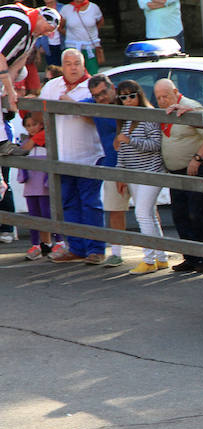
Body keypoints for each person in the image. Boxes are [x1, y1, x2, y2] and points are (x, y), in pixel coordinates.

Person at [42, 49, 106, 264]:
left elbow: (96, 118)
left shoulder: (93, 86)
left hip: (89, 156)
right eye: (68, 63)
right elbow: (38, 112)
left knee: (91, 205)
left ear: (83, 64)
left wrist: (71, 105)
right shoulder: (52, 86)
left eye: (77, 63)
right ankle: (76, 247)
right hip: (62, 158)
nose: (73, 67)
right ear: (62, 65)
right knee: (68, 204)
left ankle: (96, 249)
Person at [154, 78, 203, 272]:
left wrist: (197, 158)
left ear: (176, 91)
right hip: (175, 173)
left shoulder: (191, 107)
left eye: (166, 96)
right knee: (180, 215)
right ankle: (190, 257)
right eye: (158, 98)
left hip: (197, 169)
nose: (162, 101)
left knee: (198, 215)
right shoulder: (165, 111)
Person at [113, 79, 169, 274]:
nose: (128, 100)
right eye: (123, 97)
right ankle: (161, 258)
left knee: (142, 215)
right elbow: (122, 150)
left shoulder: (148, 115)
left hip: (151, 172)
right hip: (134, 174)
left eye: (131, 95)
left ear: (139, 95)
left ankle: (149, 259)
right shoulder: (125, 118)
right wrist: (120, 174)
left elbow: (155, 144)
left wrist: (130, 139)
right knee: (150, 215)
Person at [0, 3, 60, 153]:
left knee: (23, 72)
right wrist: (9, 90)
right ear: (41, 19)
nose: (46, 34)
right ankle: (1, 142)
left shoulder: (31, 35)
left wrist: (8, 91)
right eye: (47, 29)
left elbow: (18, 64)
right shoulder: (21, 24)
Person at [85, 73, 127, 267]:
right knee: (114, 210)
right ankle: (116, 253)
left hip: (137, 164)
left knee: (147, 211)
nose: (101, 97)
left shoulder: (128, 103)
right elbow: (74, 104)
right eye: (96, 95)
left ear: (113, 87)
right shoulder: (96, 107)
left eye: (103, 92)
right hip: (111, 165)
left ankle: (155, 253)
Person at [18, 112, 61, 259]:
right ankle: (37, 245)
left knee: (48, 214)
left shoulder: (46, 141)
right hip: (31, 186)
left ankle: (59, 242)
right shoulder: (25, 142)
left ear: (41, 124)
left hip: (45, 186)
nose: (31, 128)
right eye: (28, 126)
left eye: (34, 124)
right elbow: (21, 156)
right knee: (34, 216)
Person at [60, 0, 103, 75]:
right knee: (74, 72)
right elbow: (59, 26)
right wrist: (70, 35)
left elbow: (100, 22)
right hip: (73, 47)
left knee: (92, 73)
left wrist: (93, 33)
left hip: (91, 47)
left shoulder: (94, 8)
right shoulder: (66, 9)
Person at [37, 0, 64, 68]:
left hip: (63, 44)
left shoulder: (63, 8)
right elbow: (37, 29)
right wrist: (39, 45)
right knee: (53, 69)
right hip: (47, 45)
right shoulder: (39, 11)